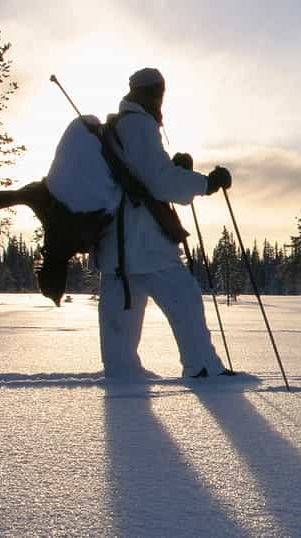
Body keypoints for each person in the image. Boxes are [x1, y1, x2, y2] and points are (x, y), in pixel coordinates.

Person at [93, 67, 235, 379]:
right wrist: (205, 183)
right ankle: (203, 368)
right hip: (145, 245)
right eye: (158, 92)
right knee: (184, 301)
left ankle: (122, 379)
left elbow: (142, 173)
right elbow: (158, 182)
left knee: (120, 324)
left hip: (115, 246)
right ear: (153, 93)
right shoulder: (139, 125)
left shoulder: (117, 127)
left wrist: (176, 169)